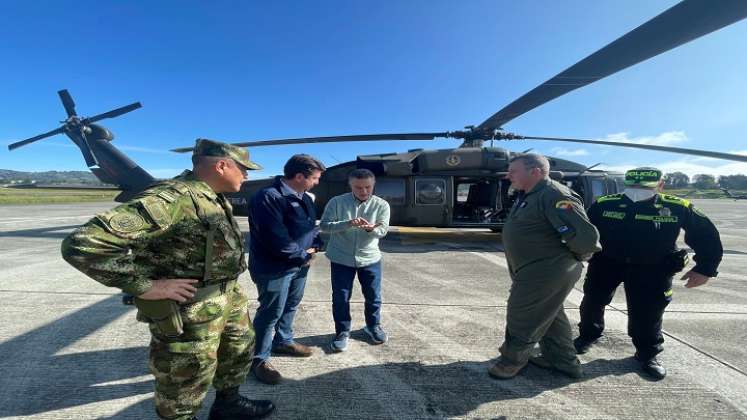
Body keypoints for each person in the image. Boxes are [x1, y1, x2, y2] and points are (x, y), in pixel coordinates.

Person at [61, 139, 274, 420]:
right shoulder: (172, 199)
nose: (247, 175)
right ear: (222, 166)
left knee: (237, 350)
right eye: (244, 168)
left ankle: (228, 405)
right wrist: (145, 285)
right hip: (191, 307)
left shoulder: (212, 196)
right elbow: (82, 244)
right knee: (186, 373)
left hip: (226, 296)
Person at [574, 167, 723, 380]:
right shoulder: (604, 203)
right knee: (592, 301)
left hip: (653, 268)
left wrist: (705, 268)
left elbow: (706, 235)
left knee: (649, 311)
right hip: (607, 264)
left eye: (643, 187)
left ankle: (647, 353)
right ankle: (588, 335)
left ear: (660, 186)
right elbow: (584, 231)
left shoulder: (677, 207)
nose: (638, 191)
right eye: (634, 186)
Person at [489, 153, 601, 380]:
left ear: (535, 172)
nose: (508, 175)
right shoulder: (529, 194)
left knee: (522, 315)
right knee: (550, 315)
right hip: (534, 270)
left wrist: (568, 262)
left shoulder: (554, 194)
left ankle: (512, 361)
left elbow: (587, 239)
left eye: (514, 171)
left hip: (547, 271)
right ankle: (562, 361)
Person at [247, 154, 325, 385]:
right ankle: (258, 359)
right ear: (300, 176)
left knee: (291, 304)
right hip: (274, 267)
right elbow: (276, 238)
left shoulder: (305, 197)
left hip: (298, 265)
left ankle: (283, 341)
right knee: (270, 312)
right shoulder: (268, 197)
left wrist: (317, 244)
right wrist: (302, 255)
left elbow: (310, 227)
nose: (317, 182)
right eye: (315, 178)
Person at [320, 168, 391, 352]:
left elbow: (382, 231)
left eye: (368, 187)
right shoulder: (336, 202)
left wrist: (370, 229)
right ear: (350, 185)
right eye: (358, 187)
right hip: (341, 257)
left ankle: (373, 326)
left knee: (373, 296)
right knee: (341, 297)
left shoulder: (381, 205)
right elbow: (324, 226)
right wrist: (348, 223)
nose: (364, 191)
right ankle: (342, 331)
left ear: (373, 185)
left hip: (370, 258)